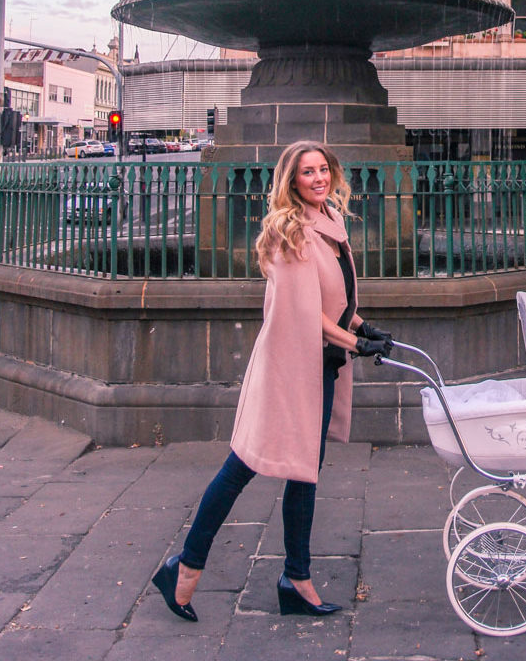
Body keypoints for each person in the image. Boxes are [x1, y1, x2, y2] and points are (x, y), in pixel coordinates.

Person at [151, 140, 393, 620]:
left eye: (324, 169)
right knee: (242, 466)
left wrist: (362, 326)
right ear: (292, 181)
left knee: (305, 469)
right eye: (308, 172)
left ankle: (296, 579)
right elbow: (305, 312)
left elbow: (332, 299)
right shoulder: (292, 234)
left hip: (318, 364)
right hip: (289, 368)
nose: (319, 178)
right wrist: (354, 342)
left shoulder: (329, 224)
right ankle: (185, 566)